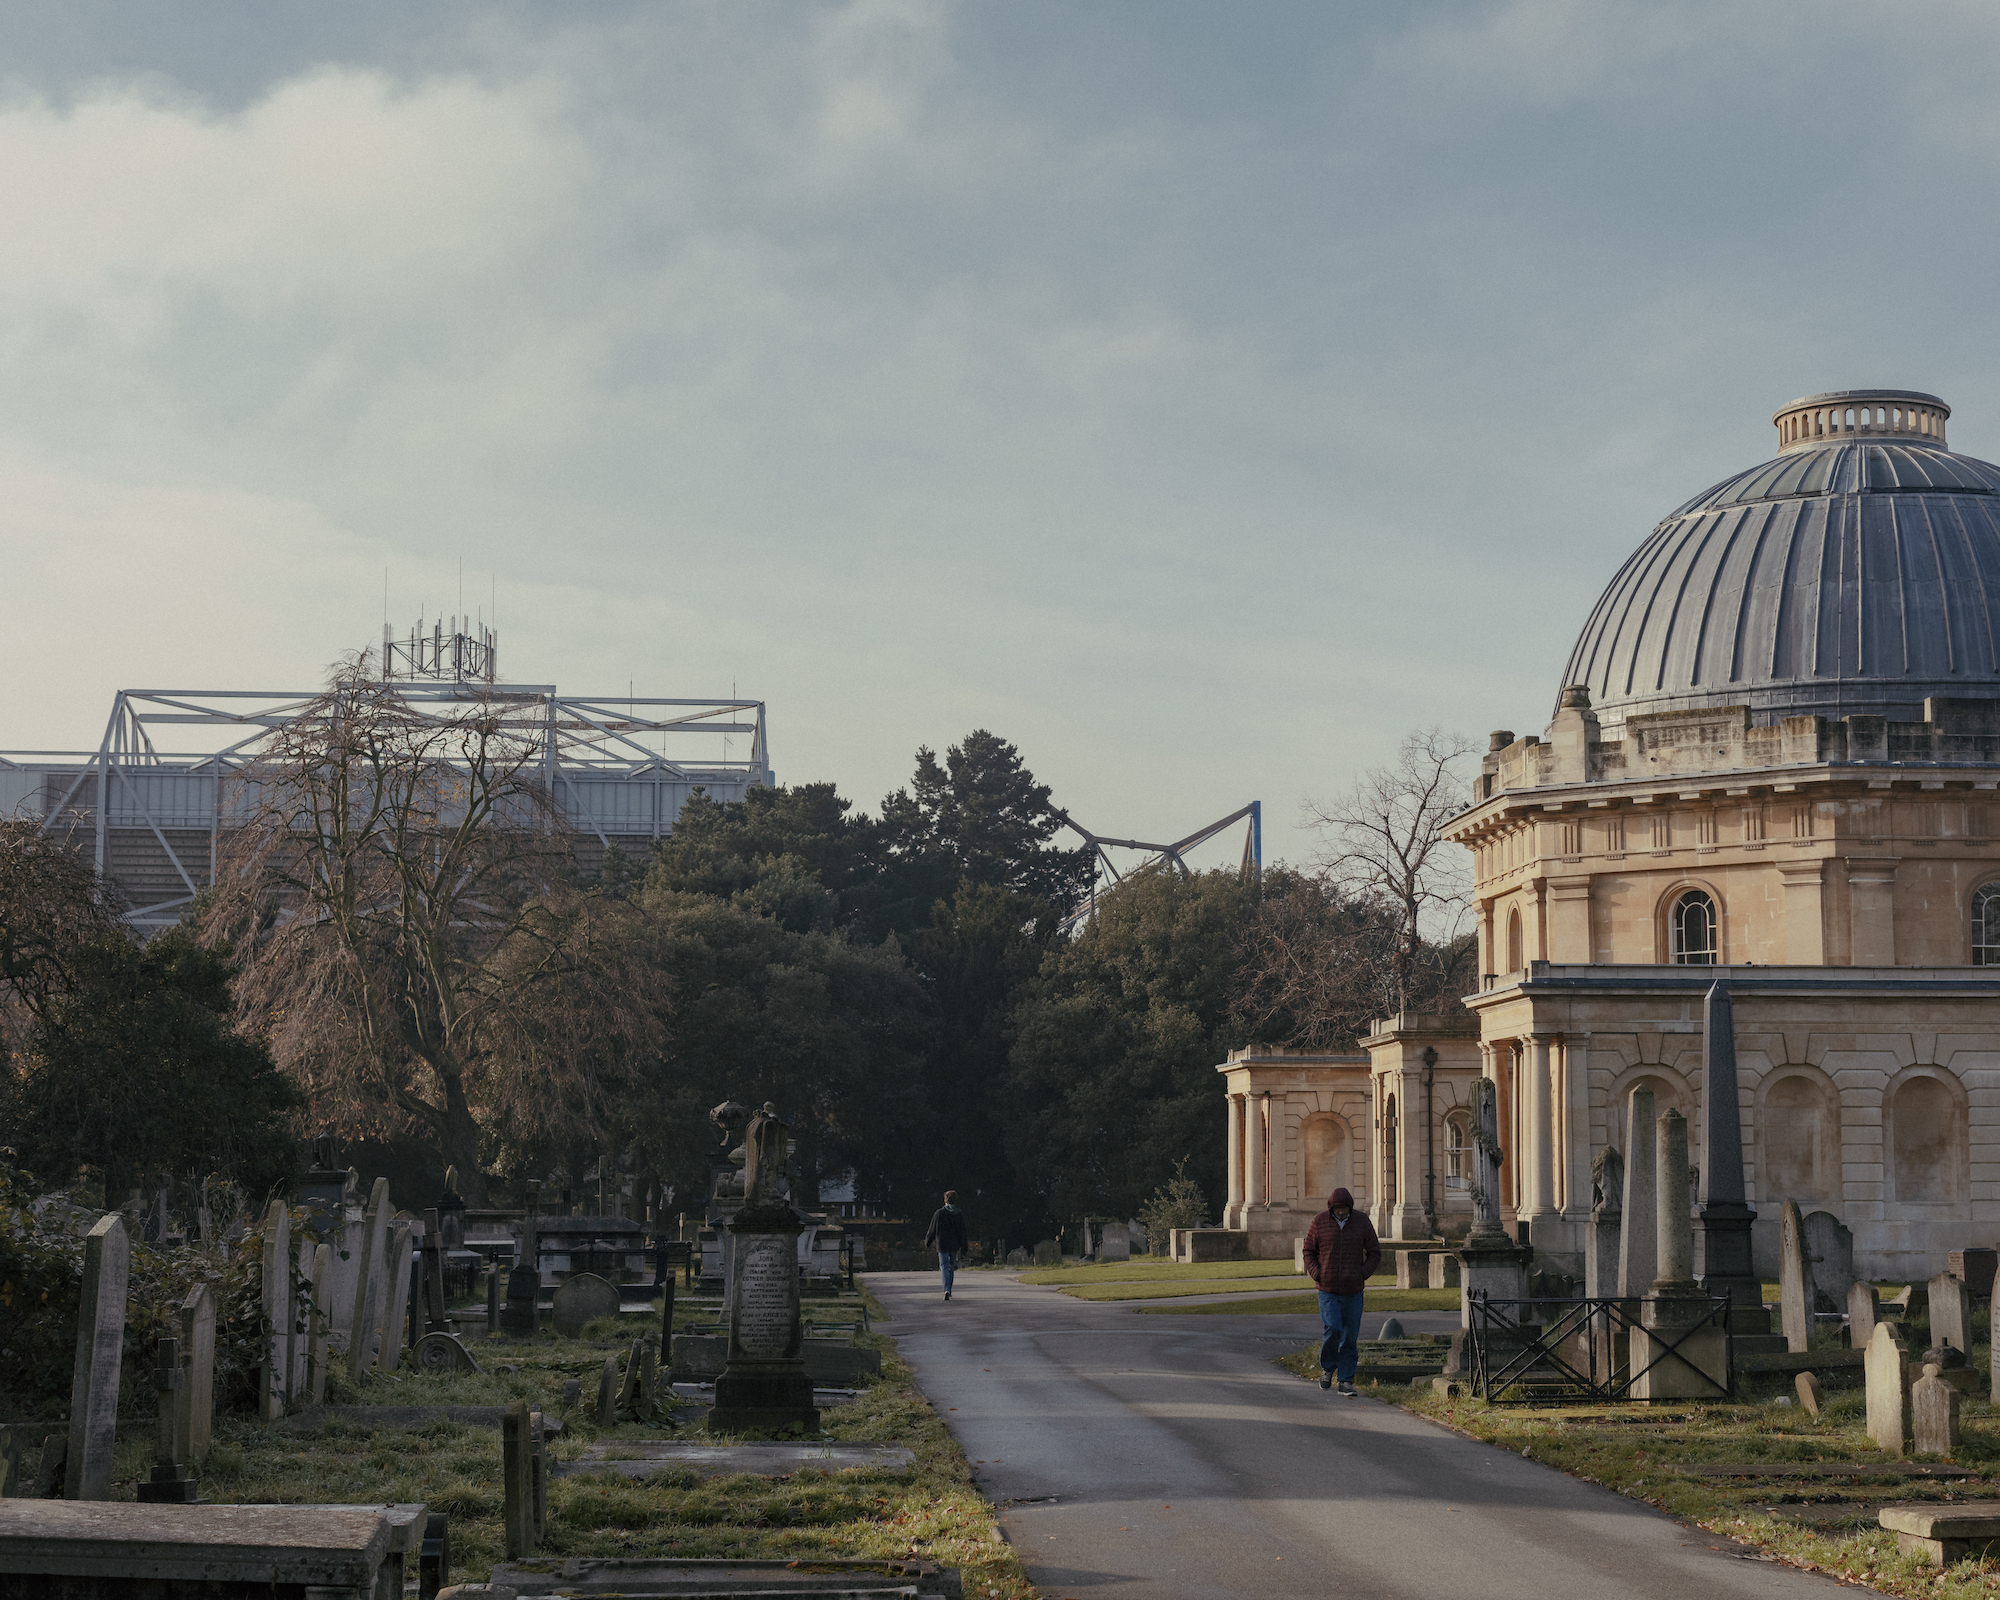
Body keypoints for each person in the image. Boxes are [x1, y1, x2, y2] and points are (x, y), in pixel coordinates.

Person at [1300, 1186, 1380, 1396]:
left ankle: (1346, 1381)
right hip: (1328, 1289)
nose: (1341, 1213)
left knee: (1350, 1337)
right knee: (1333, 1329)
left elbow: (1374, 1252)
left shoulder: (1361, 1222)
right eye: (1337, 1209)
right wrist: (1318, 1273)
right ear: (1331, 1208)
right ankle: (1328, 1367)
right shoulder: (1319, 1222)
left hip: (1353, 1290)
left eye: (1344, 1209)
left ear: (1350, 1208)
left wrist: (1362, 1274)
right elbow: (1308, 1251)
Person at [923, 1190, 969, 1301]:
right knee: (951, 1266)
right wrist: (964, 1247)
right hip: (954, 1244)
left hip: (942, 1244)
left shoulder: (939, 1213)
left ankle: (946, 1289)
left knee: (943, 1266)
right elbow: (962, 1232)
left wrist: (927, 1242)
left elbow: (932, 1229)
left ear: (945, 1200)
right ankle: (950, 1289)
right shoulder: (959, 1214)